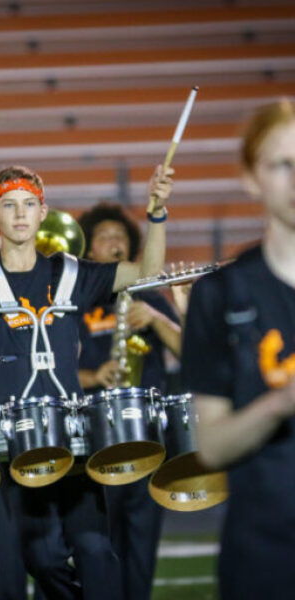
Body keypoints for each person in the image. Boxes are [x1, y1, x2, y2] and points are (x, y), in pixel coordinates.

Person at [0, 162, 173, 599]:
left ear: (42, 213)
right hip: (14, 450)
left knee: (95, 549)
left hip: (75, 444)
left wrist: (156, 214)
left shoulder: (72, 273)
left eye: (29, 205)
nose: (20, 213)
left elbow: (147, 273)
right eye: (9, 205)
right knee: (44, 560)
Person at [181, 99, 295, 600]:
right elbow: (213, 446)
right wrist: (280, 403)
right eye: (282, 164)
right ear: (252, 179)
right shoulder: (220, 294)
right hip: (264, 553)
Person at [77, 202, 181, 600]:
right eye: (105, 237)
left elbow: (192, 352)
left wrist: (157, 320)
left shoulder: (149, 299)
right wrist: (92, 376)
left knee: (141, 544)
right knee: (98, 544)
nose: (115, 244)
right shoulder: (77, 302)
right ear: (89, 252)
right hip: (94, 437)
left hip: (148, 437)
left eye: (121, 237)